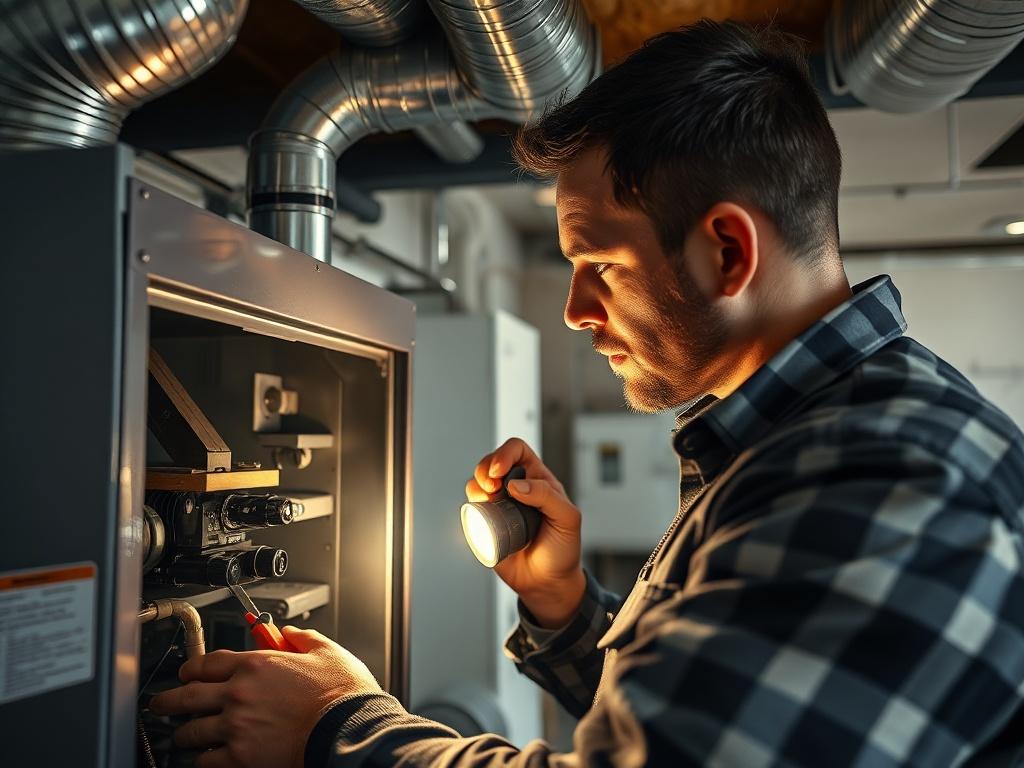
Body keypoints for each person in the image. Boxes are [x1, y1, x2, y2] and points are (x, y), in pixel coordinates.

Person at [149, 19, 1024, 767]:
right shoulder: (803, 442)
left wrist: (335, 729)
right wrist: (563, 603)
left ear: (727, 251)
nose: (574, 311)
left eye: (598, 264)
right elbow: (697, 720)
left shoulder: (885, 475)